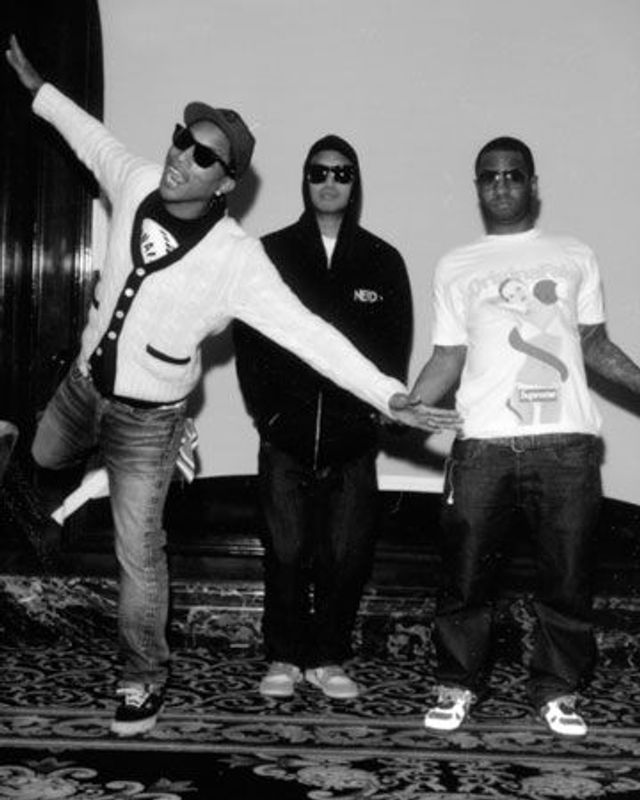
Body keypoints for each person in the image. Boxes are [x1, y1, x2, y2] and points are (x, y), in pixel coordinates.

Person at [5, 36, 460, 737]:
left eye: (203, 155)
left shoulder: (238, 262)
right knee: (38, 456)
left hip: (148, 420)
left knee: (138, 551)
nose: (181, 157)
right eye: (182, 138)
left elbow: (311, 335)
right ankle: (42, 470)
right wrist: (40, 89)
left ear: (226, 182)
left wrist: (387, 394)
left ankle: (142, 679)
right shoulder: (135, 179)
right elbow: (90, 137)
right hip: (83, 386)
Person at [409, 136, 640, 737]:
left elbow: (595, 345)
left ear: (533, 185)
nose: (502, 185)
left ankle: (557, 690)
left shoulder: (574, 254)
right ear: (478, 188)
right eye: (490, 176)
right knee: (465, 577)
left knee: (567, 578)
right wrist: (406, 405)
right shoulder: (456, 264)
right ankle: (457, 684)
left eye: (514, 175)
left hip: (565, 445)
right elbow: (447, 355)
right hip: (483, 444)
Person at [233, 135, 412, 699]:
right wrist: (269, 417)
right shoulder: (271, 253)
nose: (329, 182)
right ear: (305, 180)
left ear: (355, 184)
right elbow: (249, 343)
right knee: (285, 552)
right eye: (319, 172)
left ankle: (329, 657)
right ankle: (284, 657)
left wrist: (368, 418)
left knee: (345, 555)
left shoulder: (382, 260)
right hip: (284, 438)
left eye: (342, 173)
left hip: (352, 441)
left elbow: (394, 351)